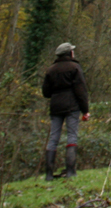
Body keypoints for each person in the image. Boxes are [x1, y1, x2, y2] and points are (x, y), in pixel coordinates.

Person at [42, 42, 90, 181]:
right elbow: (81, 90)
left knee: (53, 138)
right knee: (72, 136)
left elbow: (46, 92)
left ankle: (49, 174)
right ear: (69, 53)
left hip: (55, 106)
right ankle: (70, 171)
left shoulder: (50, 70)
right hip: (72, 106)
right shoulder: (75, 67)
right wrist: (85, 110)